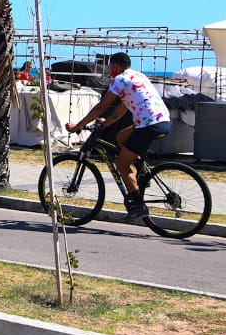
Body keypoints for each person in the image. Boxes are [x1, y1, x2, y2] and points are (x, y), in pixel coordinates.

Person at [66, 52, 172, 220]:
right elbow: (122, 109)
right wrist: (107, 123)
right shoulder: (137, 76)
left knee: (121, 163)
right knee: (121, 137)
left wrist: (78, 125)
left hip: (148, 125)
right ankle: (141, 172)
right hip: (162, 121)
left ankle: (138, 206)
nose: (109, 71)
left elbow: (101, 107)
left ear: (115, 66)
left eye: (110, 68)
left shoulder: (119, 79)